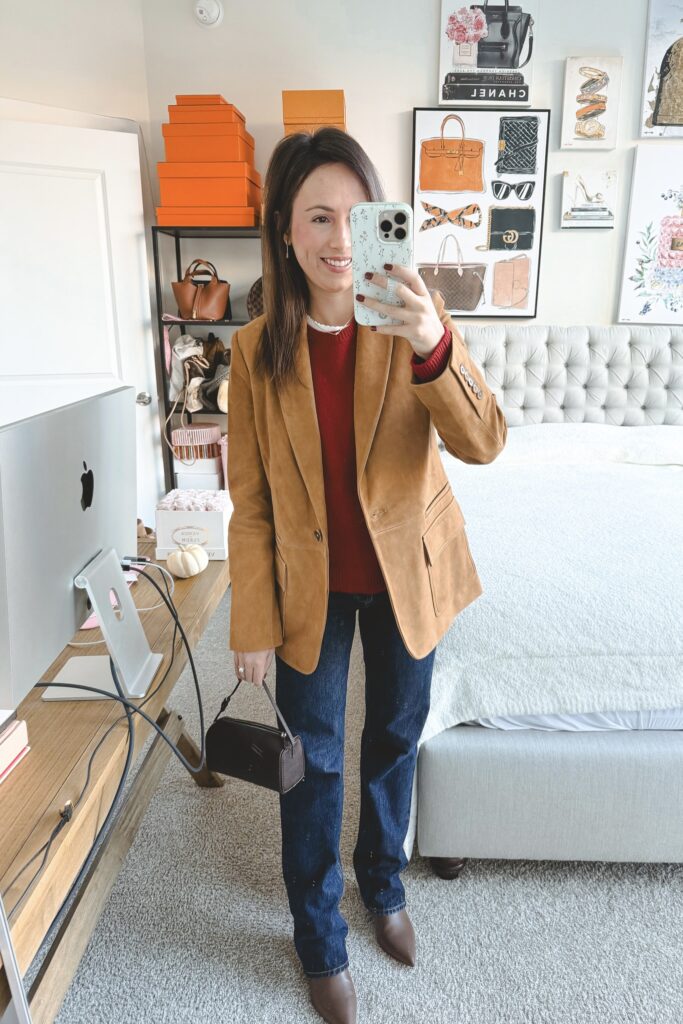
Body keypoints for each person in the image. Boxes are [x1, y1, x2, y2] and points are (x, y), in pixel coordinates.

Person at [227, 127, 507, 1024]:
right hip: (311, 582)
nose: (339, 238)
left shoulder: (409, 321)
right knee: (310, 764)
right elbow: (252, 504)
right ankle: (318, 935)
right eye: (317, 216)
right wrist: (250, 627)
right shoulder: (253, 352)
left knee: (392, 735)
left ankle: (382, 887)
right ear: (284, 231)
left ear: (385, 223)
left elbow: (483, 441)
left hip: (405, 575)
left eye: (358, 215)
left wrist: (433, 341)